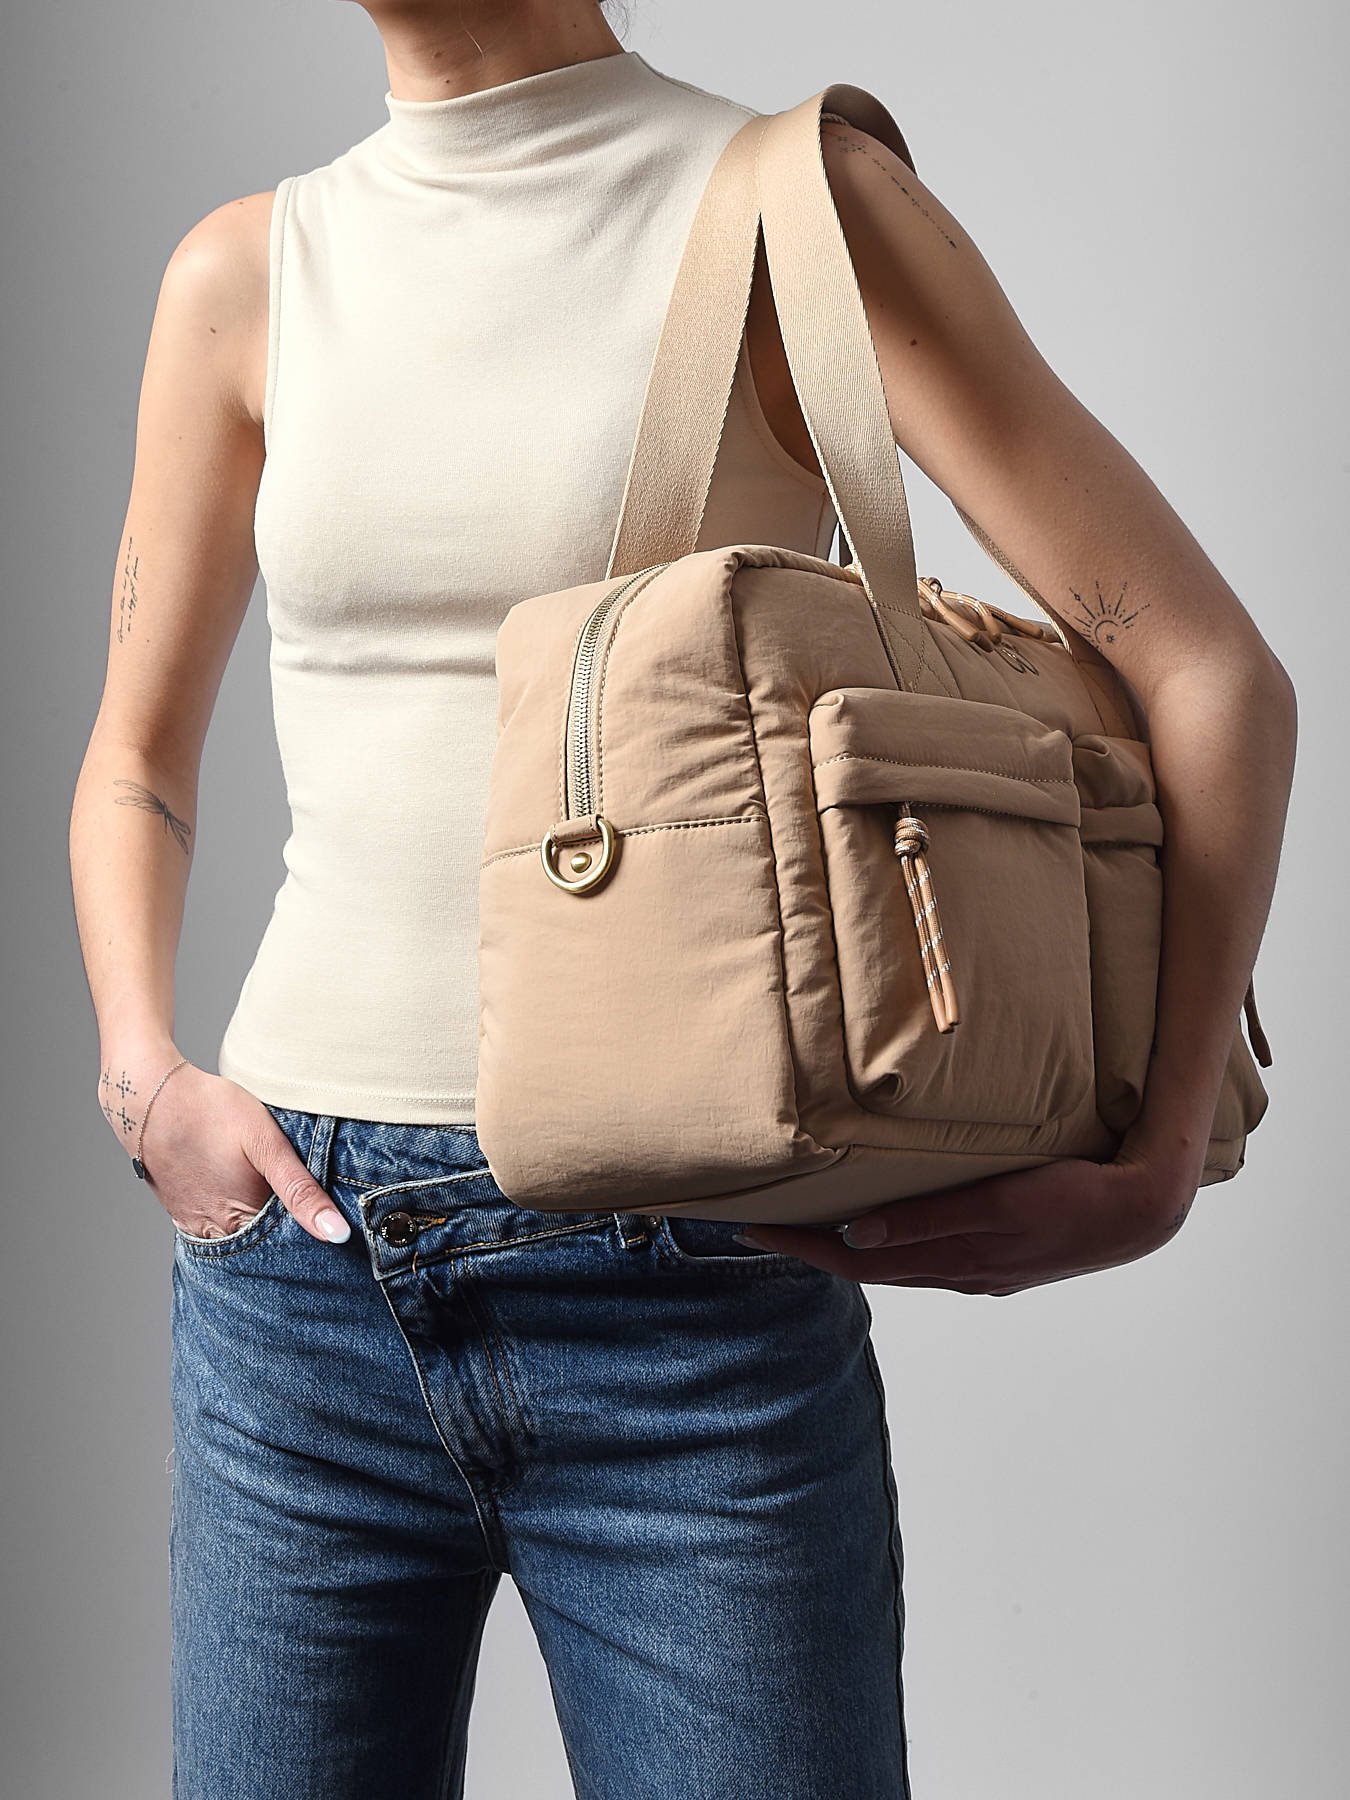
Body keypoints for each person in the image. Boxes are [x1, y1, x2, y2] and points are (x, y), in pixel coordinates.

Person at [67, 1, 1296, 1795]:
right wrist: (143, 1078)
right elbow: (135, 755)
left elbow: (1207, 671)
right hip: (293, 1284)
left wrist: (1164, 1148)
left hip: (689, 1286)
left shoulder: (802, 207)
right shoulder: (245, 273)